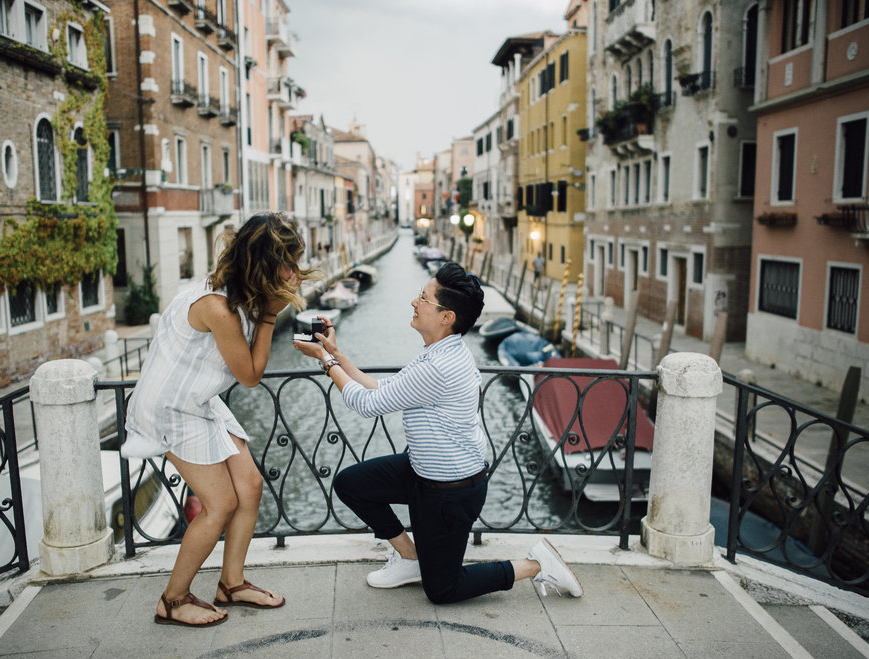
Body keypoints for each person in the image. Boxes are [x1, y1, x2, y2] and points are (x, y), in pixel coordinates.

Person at [293, 262, 583, 604]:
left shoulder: (439, 368)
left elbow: (368, 404)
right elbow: (381, 387)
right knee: (351, 484)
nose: (414, 303)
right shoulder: (438, 352)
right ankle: (410, 558)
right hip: (422, 471)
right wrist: (336, 354)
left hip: (451, 492)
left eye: (423, 298)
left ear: (447, 317)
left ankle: (534, 564)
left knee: (443, 590)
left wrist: (326, 363)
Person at [123, 212, 316, 627]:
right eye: (287, 263)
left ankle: (231, 582)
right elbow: (249, 376)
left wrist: (265, 307)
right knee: (220, 504)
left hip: (200, 400)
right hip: (169, 408)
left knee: (249, 485)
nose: (293, 272)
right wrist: (270, 315)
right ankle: (172, 601)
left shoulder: (236, 295)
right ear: (263, 264)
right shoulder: (219, 307)